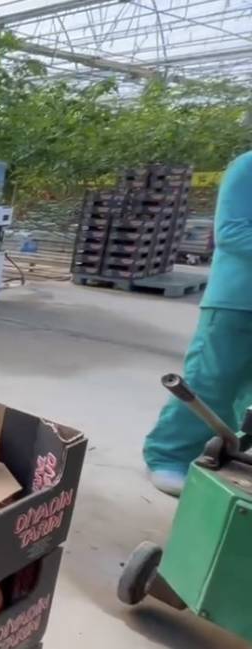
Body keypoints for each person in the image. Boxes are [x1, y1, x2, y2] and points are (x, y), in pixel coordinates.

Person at [144, 150, 252, 497]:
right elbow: (232, 231)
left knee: (245, 396)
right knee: (211, 381)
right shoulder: (248, 167)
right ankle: (169, 457)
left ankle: (228, 453)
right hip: (238, 299)